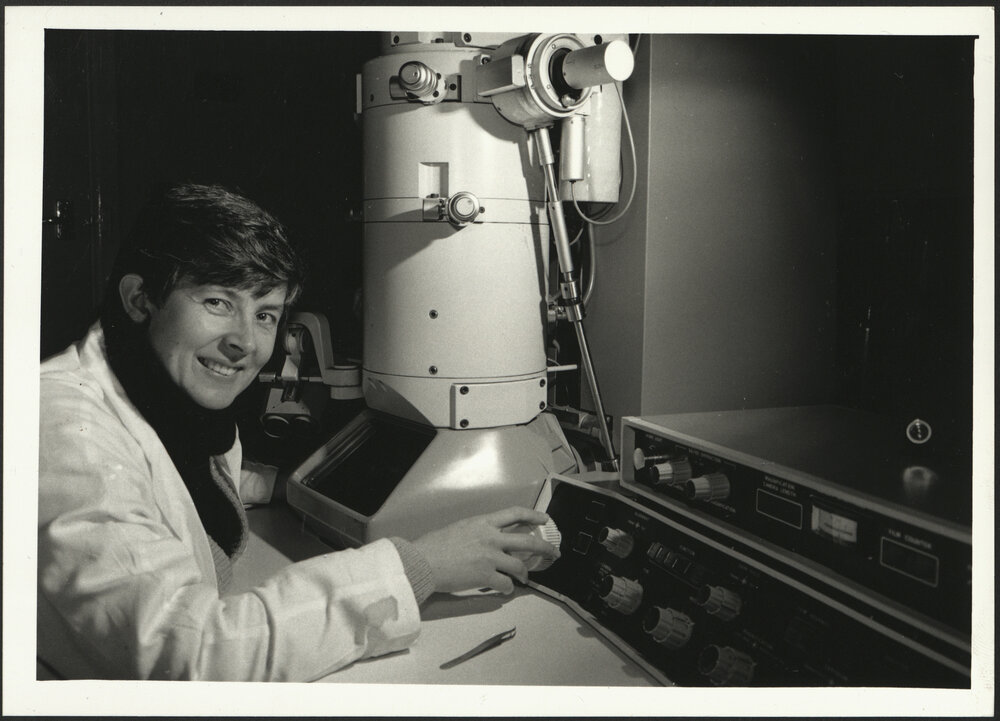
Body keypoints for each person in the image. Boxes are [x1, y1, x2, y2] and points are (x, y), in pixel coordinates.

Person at [37, 183, 559, 681]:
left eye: (265, 314)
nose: (245, 342)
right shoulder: (65, 429)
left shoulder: (159, 395)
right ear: (139, 299)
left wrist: (276, 483)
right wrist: (419, 566)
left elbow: (160, 477)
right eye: (217, 302)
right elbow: (190, 652)